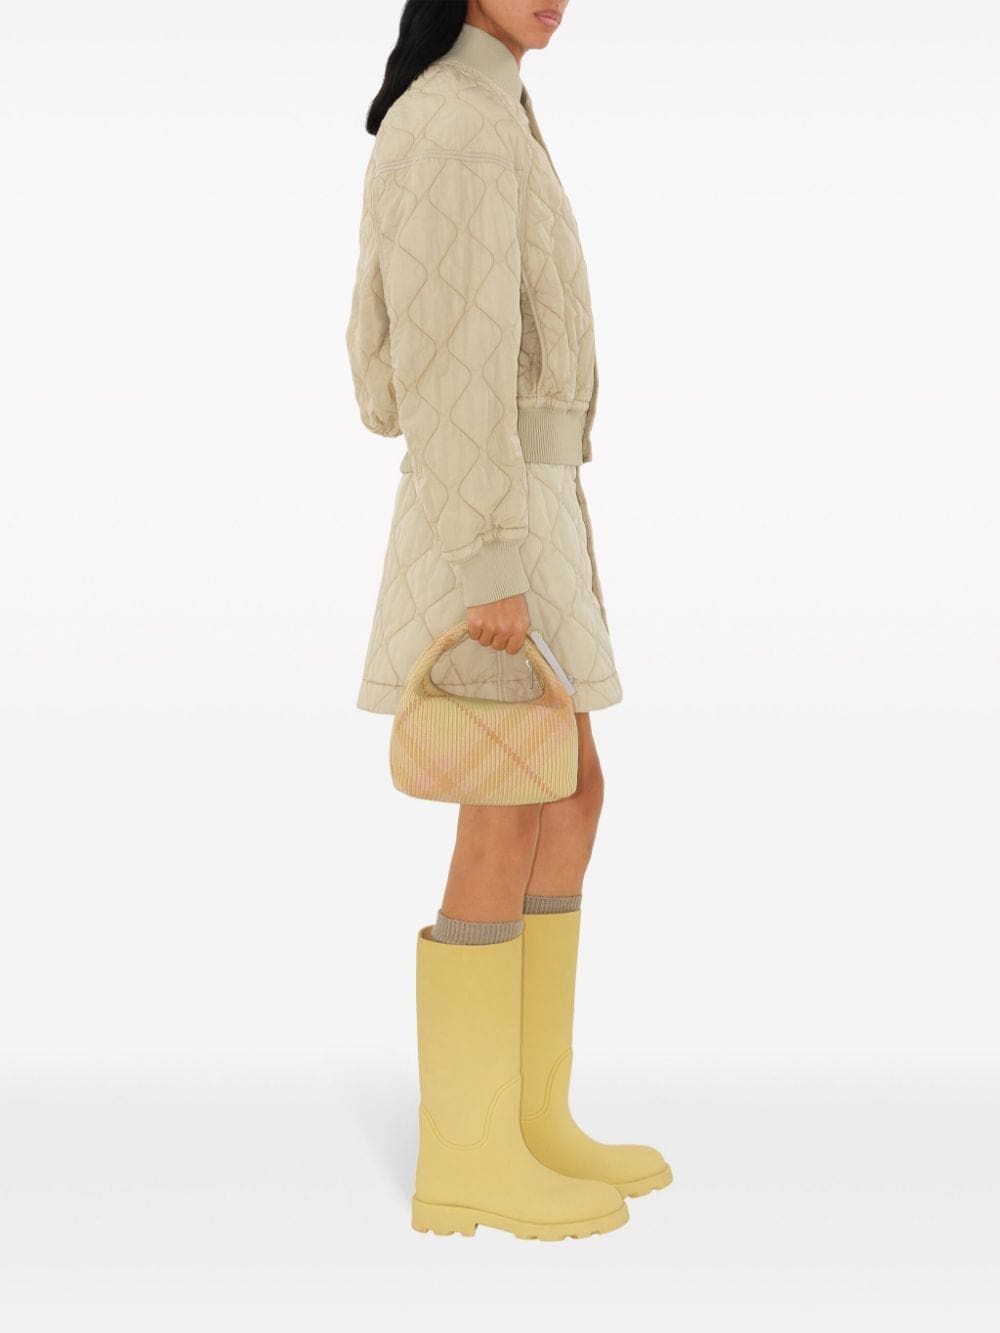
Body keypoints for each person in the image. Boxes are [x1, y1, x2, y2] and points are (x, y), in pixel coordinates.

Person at [346, 1, 671, 1240]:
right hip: (489, 513)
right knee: (510, 799)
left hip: (530, 503)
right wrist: (488, 554)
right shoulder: (455, 124)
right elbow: (442, 360)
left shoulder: (495, 108)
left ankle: (531, 1119)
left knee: (567, 793)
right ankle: (468, 1154)